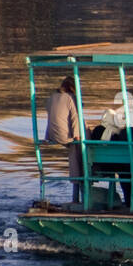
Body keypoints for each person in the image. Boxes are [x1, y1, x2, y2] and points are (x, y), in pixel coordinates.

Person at [46, 76, 83, 204]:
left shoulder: (52, 97)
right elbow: (75, 119)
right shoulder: (70, 98)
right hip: (64, 136)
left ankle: (79, 183)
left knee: (76, 148)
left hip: (51, 135)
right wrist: (78, 137)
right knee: (77, 150)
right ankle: (79, 188)